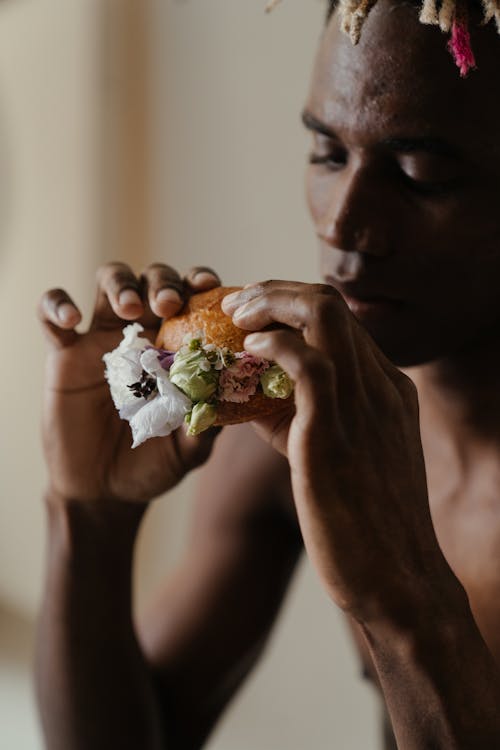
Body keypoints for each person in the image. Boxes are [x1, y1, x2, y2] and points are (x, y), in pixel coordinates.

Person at [36, 0, 500, 748]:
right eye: (326, 153)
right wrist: (87, 521)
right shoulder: (290, 433)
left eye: (419, 175)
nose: (343, 224)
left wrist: (408, 599)